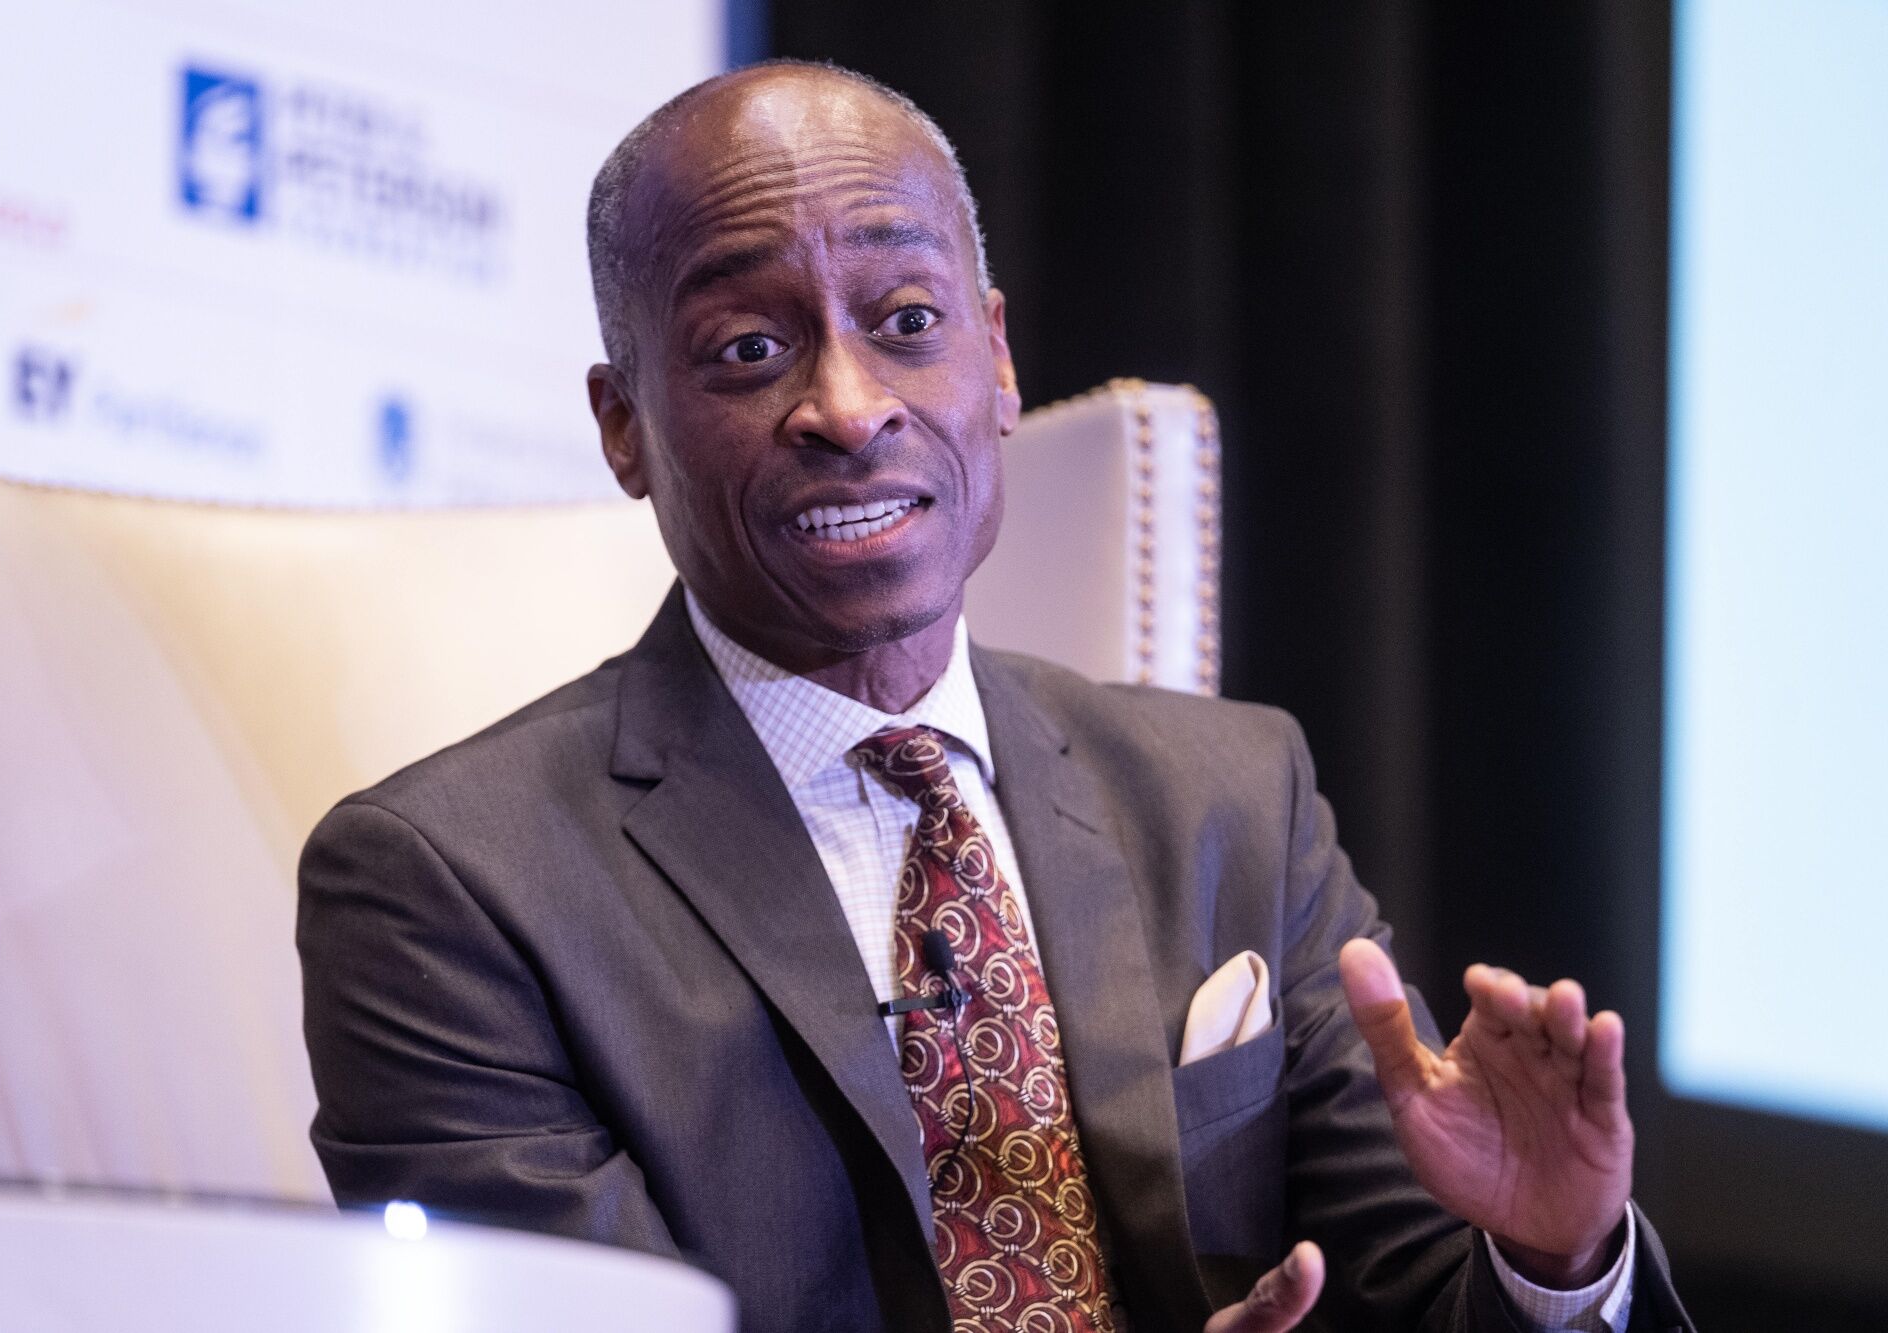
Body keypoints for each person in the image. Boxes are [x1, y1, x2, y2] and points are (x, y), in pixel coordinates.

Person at [297, 61, 1693, 1333]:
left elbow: (1416, 1299)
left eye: (908, 321)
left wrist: (1557, 1261)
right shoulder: (447, 889)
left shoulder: (1230, 799)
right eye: (749, 350)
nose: (849, 406)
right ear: (624, 427)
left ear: (1000, 357)